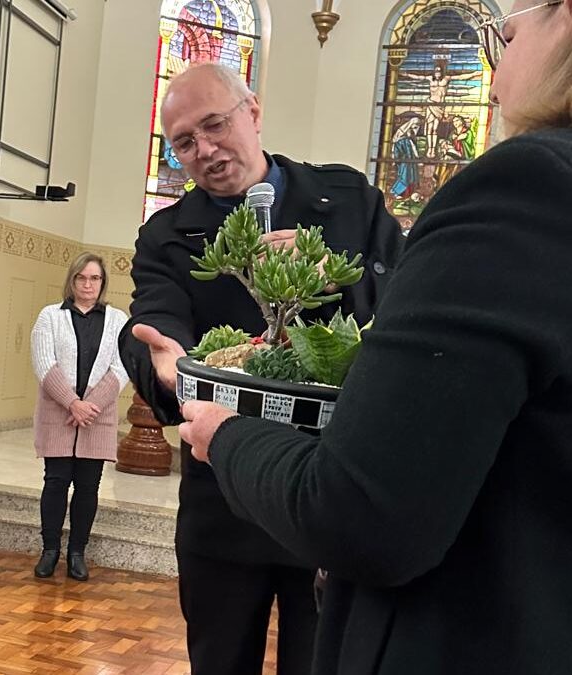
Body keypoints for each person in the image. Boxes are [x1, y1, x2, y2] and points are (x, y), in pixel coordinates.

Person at [179, 1, 572, 673]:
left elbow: (362, 512)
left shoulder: (532, 186)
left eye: (505, 35)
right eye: (183, 140)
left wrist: (225, 434)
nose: (493, 77)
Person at [119, 62, 402, 675]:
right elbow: (156, 322)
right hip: (224, 500)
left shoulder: (349, 198)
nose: (206, 150)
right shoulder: (167, 234)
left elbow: (406, 306)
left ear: (253, 110)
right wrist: (168, 368)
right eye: (185, 144)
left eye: (215, 125)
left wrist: (327, 273)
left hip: (332, 491)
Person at [31, 253, 129, 582]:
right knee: (55, 483)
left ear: (103, 284)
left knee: (88, 487)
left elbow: (121, 367)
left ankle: (77, 552)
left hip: (97, 417)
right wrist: (73, 403)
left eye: (95, 279)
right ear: (72, 281)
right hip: (59, 412)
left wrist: (90, 406)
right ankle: (49, 551)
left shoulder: (117, 320)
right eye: (82, 278)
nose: (88, 284)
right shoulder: (50, 316)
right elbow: (44, 363)